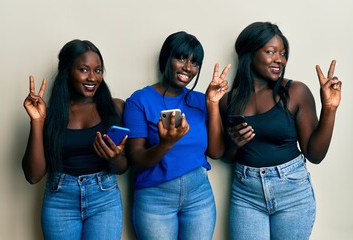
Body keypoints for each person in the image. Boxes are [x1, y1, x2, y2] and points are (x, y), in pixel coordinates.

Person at [216, 22, 342, 240]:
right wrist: (234, 144)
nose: (279, 60)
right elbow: (226, 158)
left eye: (283, 54)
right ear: (250, 53)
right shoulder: (229, 100)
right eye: (270, 52)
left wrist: (329, 109)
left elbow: (315, 155)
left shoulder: (295, 92)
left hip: (292, 193)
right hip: (246, 194)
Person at [123, 31, 230, 240]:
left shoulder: (201, 100)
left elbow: (216, 152)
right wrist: (166, 144)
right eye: (181, 58)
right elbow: (135, 159)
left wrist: (213, 105)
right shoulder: (139, 101)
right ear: (166, 58)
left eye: (194, 62)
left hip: (199, 196)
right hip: (155, 198)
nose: (188, 68)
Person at [22, 39, 129, 240]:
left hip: (104, 199)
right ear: (67, 72)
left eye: (98, 70)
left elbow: (122, 167)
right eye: (84, 69)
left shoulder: (115, 108)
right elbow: (33, 175)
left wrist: (115, 157)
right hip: (59, 200)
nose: (92, 78)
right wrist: (37, 122)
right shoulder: (51, 115)